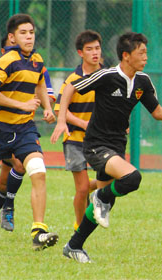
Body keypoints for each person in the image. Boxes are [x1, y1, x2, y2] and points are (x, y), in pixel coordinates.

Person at [51, 31, 162, 263]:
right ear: (126, 55)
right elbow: (70, 88)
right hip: (96, 144)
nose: (146, 57)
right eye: (141, 52)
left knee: (108, 200)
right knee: (132, 178)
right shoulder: (106, 76)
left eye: (146, 52)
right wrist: (60, 119)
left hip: (117, 145)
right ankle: (99, 197)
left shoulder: (143, 82)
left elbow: (157, 112)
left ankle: (74, 245)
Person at [0, 14, 58, 250]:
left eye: (31, 32)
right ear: (12, 37)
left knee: (38, 171)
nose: (29, 36)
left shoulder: (37, 60)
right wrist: (22, 104)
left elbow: (40, 82)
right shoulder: (6, 61)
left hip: (24, 129)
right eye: (23, 32)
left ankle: (38, 230)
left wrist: (48, 108)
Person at [54, 30, 101, 231]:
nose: (95, 53)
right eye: (89, 49)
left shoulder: (107, 77)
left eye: (97, 48)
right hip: (75, 139)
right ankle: (79, 230)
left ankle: (92, 195)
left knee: (108, 181)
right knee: (82, 189)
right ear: (80, 53)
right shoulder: (73, 80)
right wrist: (84, 124)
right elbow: (60, 110)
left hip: (101, 141)